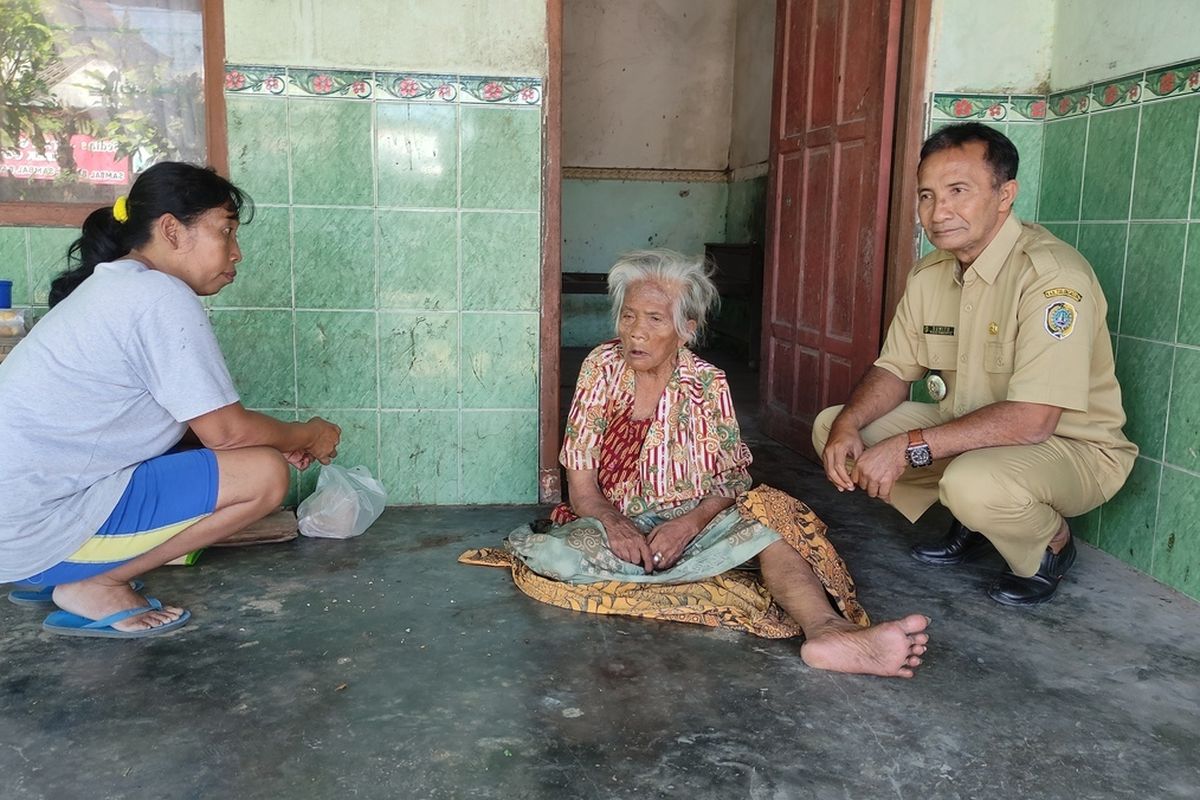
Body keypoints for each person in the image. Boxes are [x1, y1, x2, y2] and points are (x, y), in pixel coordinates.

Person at [507, 250, 930, 678]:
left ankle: (826, 630)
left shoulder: (708, 383)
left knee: (774, 525)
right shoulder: (600, 367)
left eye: (654, 319)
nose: (636, 333)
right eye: (629, 316)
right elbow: (581, 487)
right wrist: (616, 526)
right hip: (611, 519)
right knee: (556, 555)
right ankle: (695, 572)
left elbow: (730, 481)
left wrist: (687, 525)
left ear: (685, 330)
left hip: (694, 522)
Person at [0, 162, 341, 638]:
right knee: (265, 475)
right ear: (170, 230)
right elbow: (227, 432)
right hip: (33, 532)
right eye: (225, 232)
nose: (236, 253)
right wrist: (309, 433)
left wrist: (276, 437)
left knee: (255, 455)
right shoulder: (158, 296)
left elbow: (191, 424)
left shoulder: (114, 285)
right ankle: (98, 580)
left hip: (15, 529)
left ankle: (67, 571)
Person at [814, 122, 1136, 606]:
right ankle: (974, 517)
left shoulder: (1052, 279)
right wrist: (849, 424)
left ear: (1005, 195)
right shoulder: (931, 274)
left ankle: (1050, 543)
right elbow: (894, 369)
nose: (938, 212)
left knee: (973, 481)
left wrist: (907, 447)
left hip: (1071, 448)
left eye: (958, 191)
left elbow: (1032, 421)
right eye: (926, 195)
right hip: (968, 430)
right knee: (833, 429)